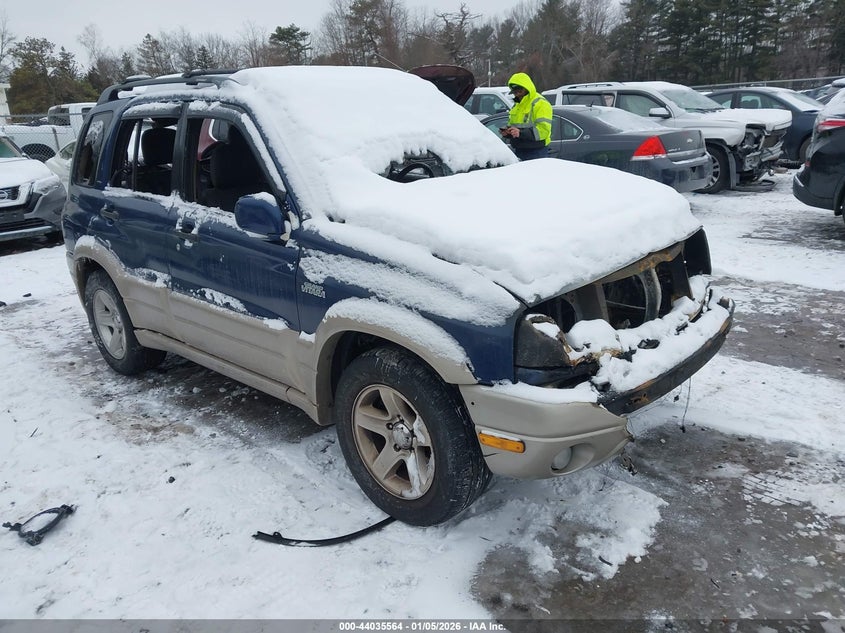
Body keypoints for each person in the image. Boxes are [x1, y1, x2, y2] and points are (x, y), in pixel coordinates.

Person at [500, 72, 553, 161]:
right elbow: (514, 126)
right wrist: (507, 132)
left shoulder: (540, 103)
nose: (517, 94)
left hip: (536, 151)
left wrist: (520, 133)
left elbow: (543, 130)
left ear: (527, 88)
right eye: (515, 92)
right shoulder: (517, 106)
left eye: (519, 91)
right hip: (519, 150)